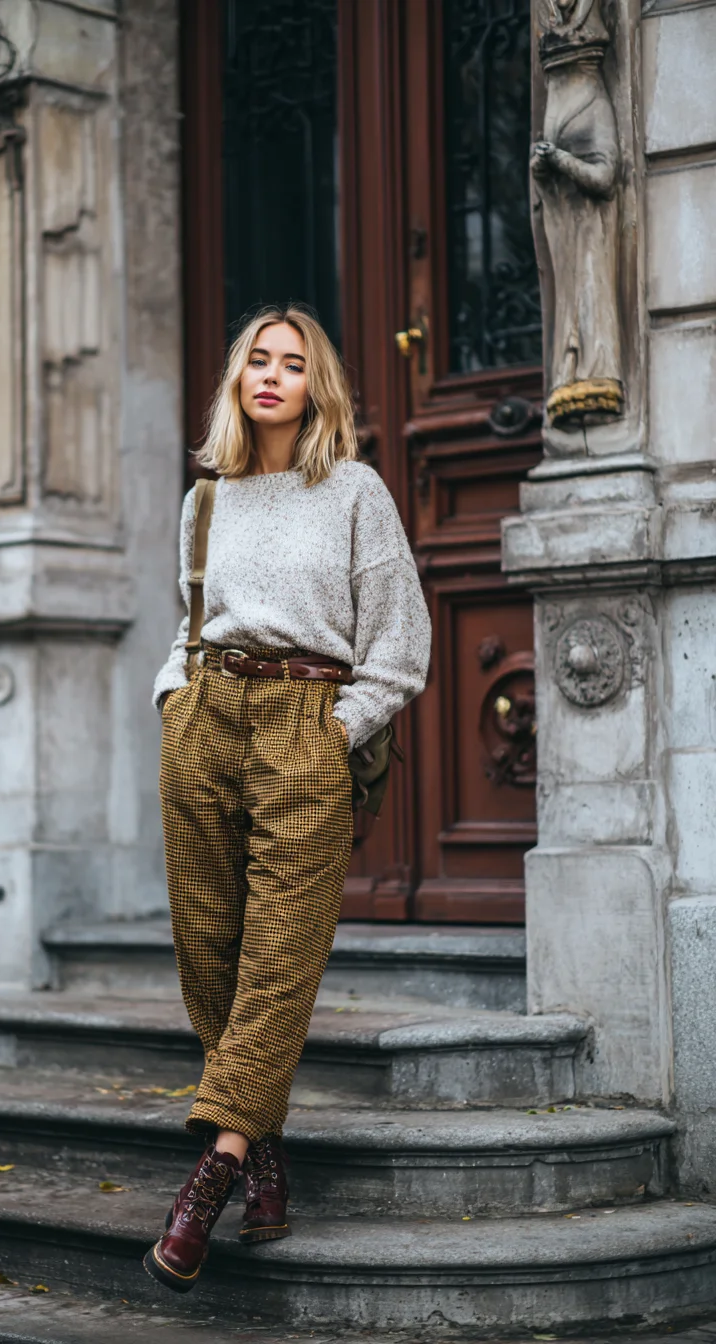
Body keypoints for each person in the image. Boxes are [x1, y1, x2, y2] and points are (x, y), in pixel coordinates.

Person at [144, 304, 431, 1293]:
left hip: (305, 725)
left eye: (291, 364)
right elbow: (185, 623)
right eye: (255, 361)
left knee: (278, 958)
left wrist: (338, 731)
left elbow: (400, 643)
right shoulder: (207, 498)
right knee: (207, 951)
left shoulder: (351, 492)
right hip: (204, 726)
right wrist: (172, 701)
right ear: (236, 381)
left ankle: (212, 1174)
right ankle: (265, 1158)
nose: (270, 376)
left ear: (318, 387)